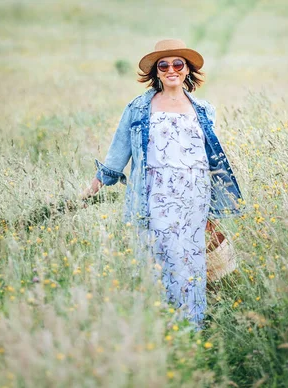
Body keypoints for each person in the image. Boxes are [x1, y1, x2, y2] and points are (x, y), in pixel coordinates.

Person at [81, 39, 245, 329]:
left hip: (195, 198)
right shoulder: (138, 108)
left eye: (177, 64)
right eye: (164, 65)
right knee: (158, 257)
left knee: (191, 260)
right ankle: (161, 327)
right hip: (153, 196)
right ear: (156, 72)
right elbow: (117, 155)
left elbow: (210, 158)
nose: (171, 69)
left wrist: (216, 203)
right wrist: (89, 190)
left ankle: (192, 327)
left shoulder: (205, 110)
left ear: (187, 70)